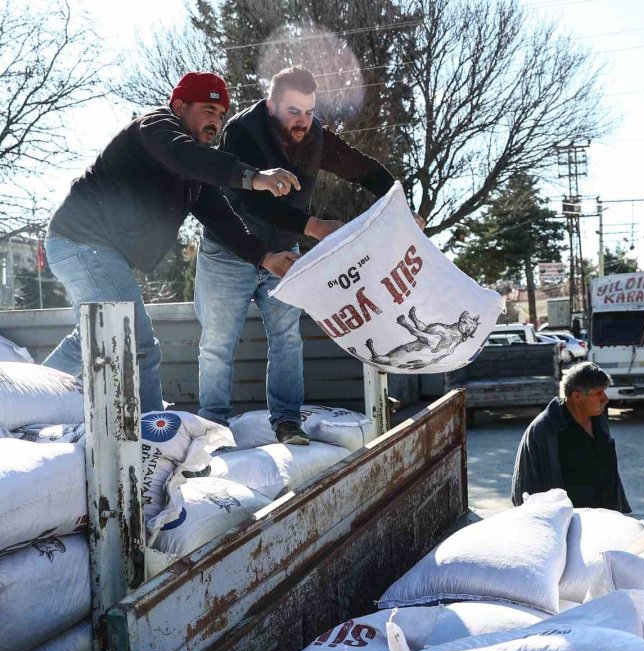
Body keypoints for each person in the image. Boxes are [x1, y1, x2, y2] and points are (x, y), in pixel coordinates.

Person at [43, 72, 301, 412]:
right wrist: (253, 177)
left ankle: (19, 399)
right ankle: (156, 439)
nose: (216, 121)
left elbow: (221, 218)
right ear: (180, 107)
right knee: (138, 343)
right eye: (209, 109)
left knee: (91, 339)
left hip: (89, 248)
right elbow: (185, 157)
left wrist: (265, 257)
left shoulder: (191, 171)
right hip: (82, 242)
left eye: (222, 114)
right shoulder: (156, 128)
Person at [194, 65, 425, 444]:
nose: (302, 121)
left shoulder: (314, 135)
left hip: (284, 253)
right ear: (271, 106)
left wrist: (401, 205)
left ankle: (286, 422)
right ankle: (213, 429)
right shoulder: (240, 132)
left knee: (287, 337)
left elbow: (364, 170)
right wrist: (313, 225)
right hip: (230, 252)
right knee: (218, 342)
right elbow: (244, 201)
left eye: (309, 111)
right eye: (293, 112)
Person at [510, 362, 630, 511]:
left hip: (605, 519)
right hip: (567, 523)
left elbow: (610, 471)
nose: (605, 399)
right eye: (599, 393)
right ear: (577, 396)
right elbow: (523, 489)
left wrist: (622, 508)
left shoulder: (598, 420)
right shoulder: (544, 429)